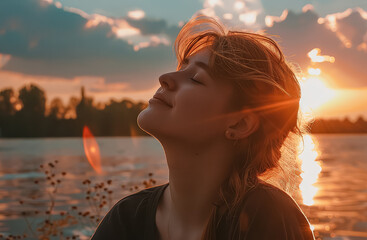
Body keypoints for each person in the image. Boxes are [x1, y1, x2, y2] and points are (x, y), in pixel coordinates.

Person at [91, 15, 315, 240]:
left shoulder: (269, 218)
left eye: (196, 78)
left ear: (239, 123)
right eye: (181, 67)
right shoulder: (127, 219)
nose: (164, 78)